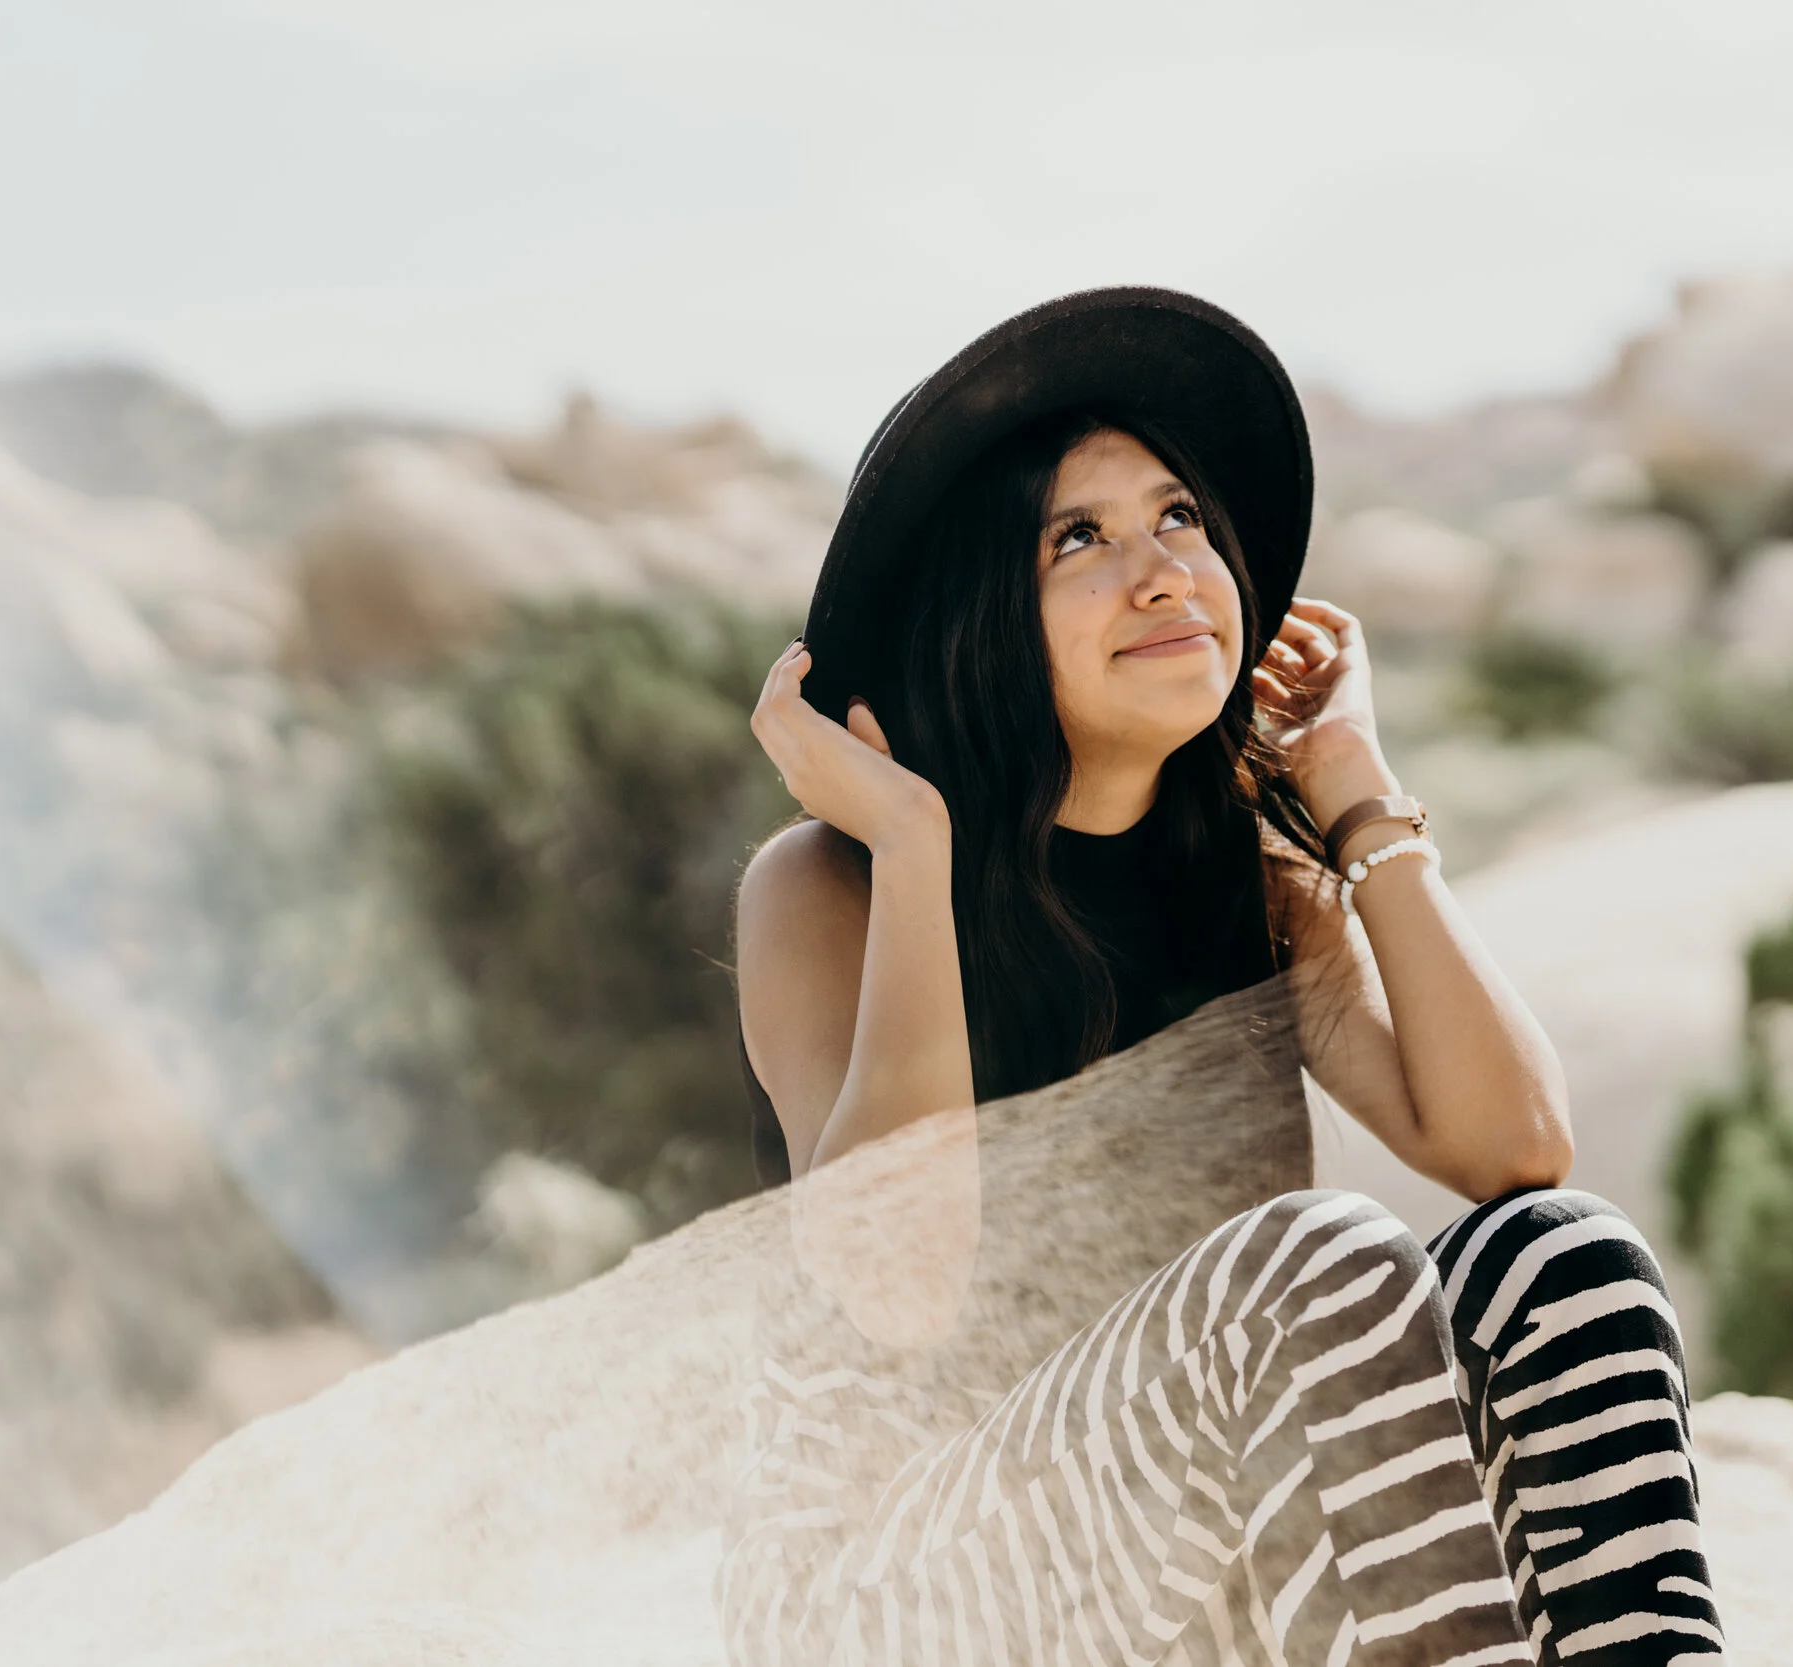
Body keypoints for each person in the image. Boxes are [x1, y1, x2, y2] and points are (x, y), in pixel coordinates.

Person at [718, 289, 1725, 1665]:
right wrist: (911, 844)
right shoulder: (828, 884)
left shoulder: (1251, 880)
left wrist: (1357, 795)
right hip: (900, 1594)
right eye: (1080, 536)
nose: (1162, 570)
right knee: (1315, 1258)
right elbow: (896, 1290)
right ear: (982, 613)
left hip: (1201, 1569)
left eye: (1179, 517)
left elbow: (1514, 1144)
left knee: (1559, 1258)